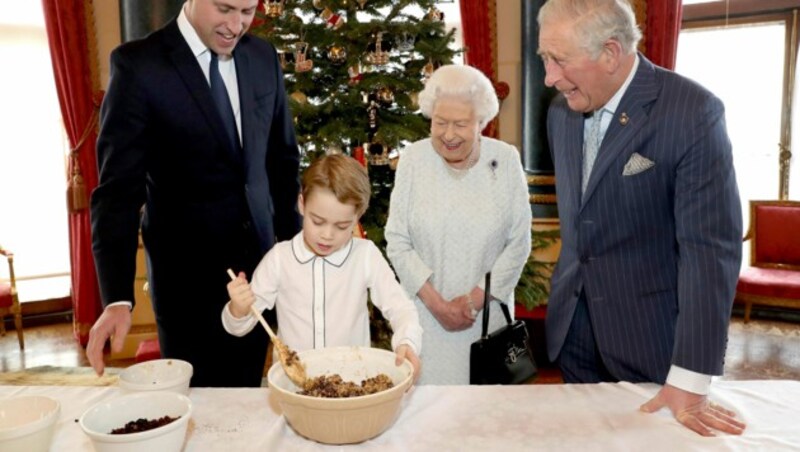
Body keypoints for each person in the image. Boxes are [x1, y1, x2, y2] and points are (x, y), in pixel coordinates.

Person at [536, 0, 746, 436]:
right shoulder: (561, 112)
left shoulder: (693, 113)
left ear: (611, 52)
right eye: (544, 59)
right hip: (573, 330)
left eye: (559, 60)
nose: (549, 78)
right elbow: (585, 220)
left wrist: (690, 376)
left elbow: (709, 252)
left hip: (650, 342)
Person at [87, 0, 302, 387]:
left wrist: (293, 253)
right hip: (186, 287)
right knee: (200, 409)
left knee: (249, 401)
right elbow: (117, 192)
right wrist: (117, 297)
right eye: (225, 9)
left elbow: (282, 164)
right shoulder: (139, 66)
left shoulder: (262, 56)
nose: (236, 26)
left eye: (248, 11)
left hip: (259, 275)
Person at [385, 64, 532, 385]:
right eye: (440, 123)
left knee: (485, 421)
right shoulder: (413, 160)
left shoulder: (505, 160)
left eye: (461, 124)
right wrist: (437, 304)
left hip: (486, 324)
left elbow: (518, 242)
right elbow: (396, 240)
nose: (449, 134)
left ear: (482, 122)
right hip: (425, 319)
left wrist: (471, 301)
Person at [224, 154, 422, 380]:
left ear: (358, 216)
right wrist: (238, 309)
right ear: (302, 204)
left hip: (351, 383)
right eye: (317, 221)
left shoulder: (365, 255)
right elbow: (239, 327)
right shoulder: (280, 259)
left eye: (341, 226)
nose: (327, 236)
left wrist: (407, 341)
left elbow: (401, 308)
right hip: (294, 386)